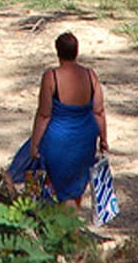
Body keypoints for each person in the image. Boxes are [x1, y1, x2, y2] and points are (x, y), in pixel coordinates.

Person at [25, 31, 108, 207]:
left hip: (58, 139)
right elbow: (99, 111)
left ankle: (65, 229)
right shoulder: (90, 75)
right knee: (75, 187)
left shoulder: (51, 76)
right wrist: (103, 139)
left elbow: (44, 114)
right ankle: (71, 225)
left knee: (59, 188)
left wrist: (34, 144)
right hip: (85, 138)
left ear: (58, 52)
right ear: (76, 52)